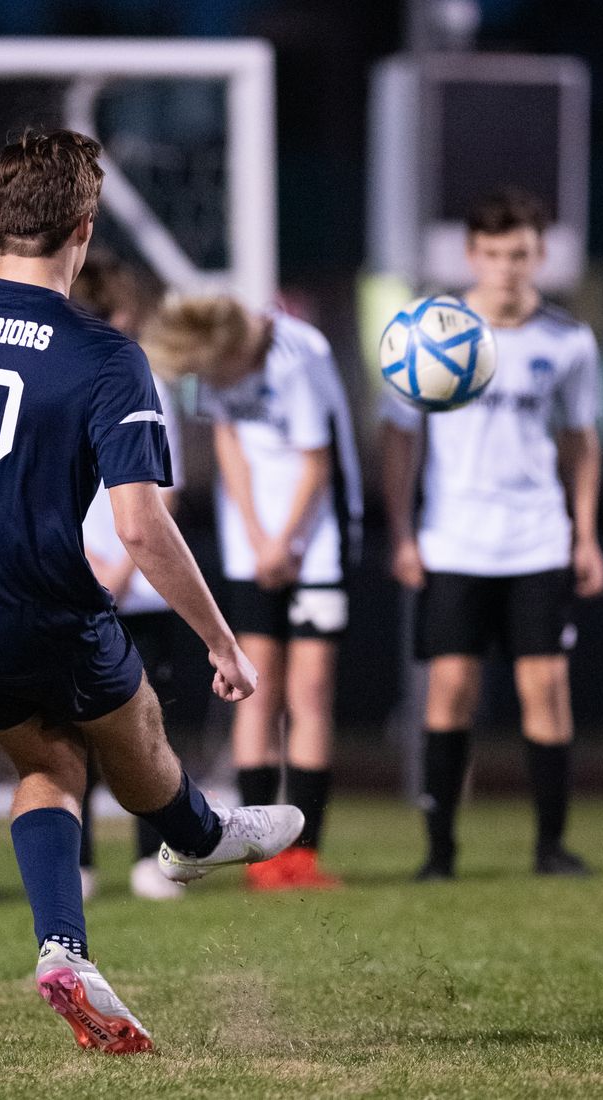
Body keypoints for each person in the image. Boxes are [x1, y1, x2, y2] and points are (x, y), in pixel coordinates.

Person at [0, 129, 302, 1054]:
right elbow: (141, 528)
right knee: (136, 725)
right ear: (86, 226)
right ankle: (197, 834)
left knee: (49, 762)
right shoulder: (107, 357)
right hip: (35, 600)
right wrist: (223, 642)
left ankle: (64, 951)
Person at [380, 187, 603, 881]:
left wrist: (585, 534)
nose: (509, 266)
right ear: (473, 253)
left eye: (522, 253)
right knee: (450, 691)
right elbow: (397, 439)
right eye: (495, 252)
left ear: (539, 256)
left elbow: (581, 442)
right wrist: (403, 532)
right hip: (454, 540)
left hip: (537, 537)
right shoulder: (427, 334)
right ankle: (440, 853)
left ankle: (550, 847)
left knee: (547, 689)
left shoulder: (566, 340)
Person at [142, 295, 363, 891]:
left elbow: (318, 463)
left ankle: (304, 854)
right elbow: (230, 450)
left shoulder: (299, 355)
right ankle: (260, 855)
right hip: (254, 550)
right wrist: (258, 539)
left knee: (310, 692)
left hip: (314, 546)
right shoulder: (217, 365)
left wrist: (285, 542)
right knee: (254, 689)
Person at [69, 252, 186, 901]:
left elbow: (163, 493)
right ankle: (78, 862)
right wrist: (83, 565)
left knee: (147, 725)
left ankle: (154, 855)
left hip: (140, 589)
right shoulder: (61, 379)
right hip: (73, 585)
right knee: (71, 725)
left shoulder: (146, 379)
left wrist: (120, 566)